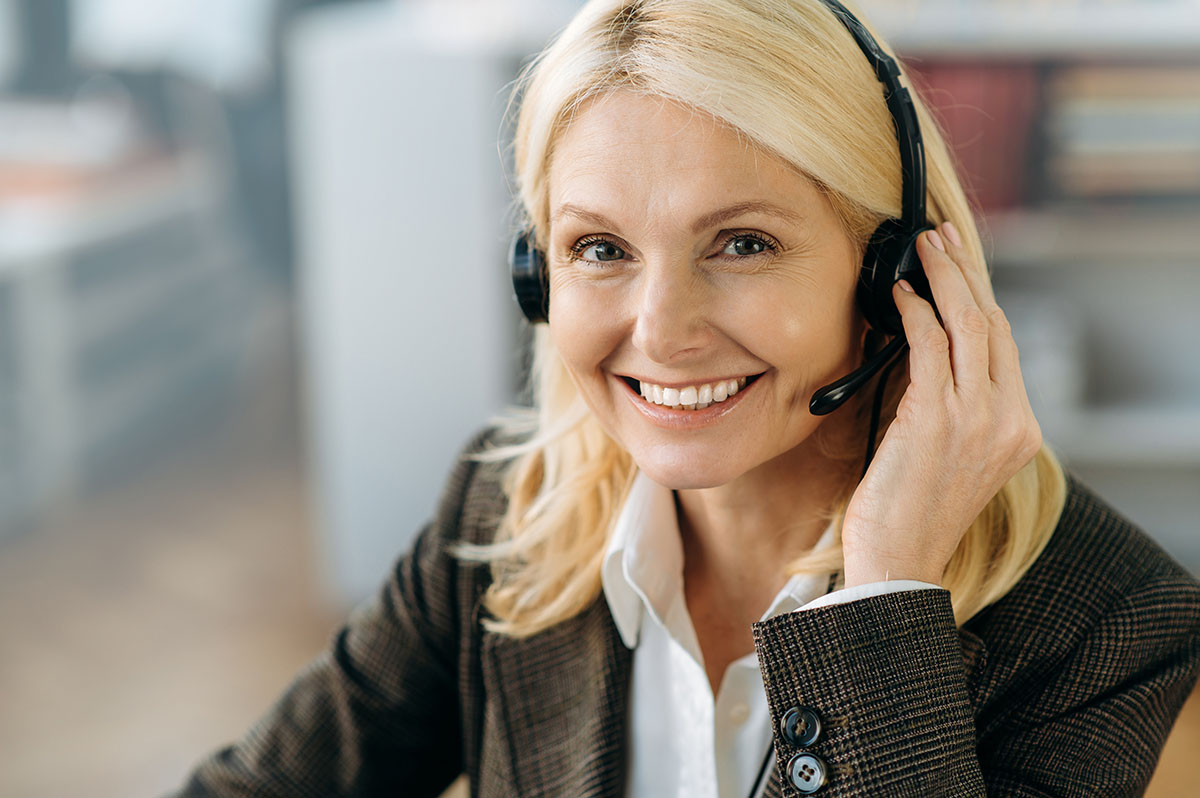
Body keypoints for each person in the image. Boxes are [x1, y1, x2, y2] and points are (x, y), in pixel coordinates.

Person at [169, 1, 1200, 796]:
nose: (659, 331)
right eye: (599, 249)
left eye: (742, 243)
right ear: (539, 279)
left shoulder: (1117, 633)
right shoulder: (501, 516)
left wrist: (886, 599)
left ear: (900, 271)